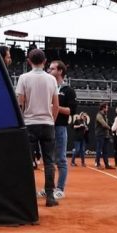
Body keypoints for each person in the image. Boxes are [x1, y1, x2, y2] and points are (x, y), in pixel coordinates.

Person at [15, 48, 59, 207]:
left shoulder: (23, 78)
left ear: (29, 61)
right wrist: (51, 121)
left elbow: (20, 102)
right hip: (47, 124)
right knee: (49, 162)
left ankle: (25, 196)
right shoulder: (52, 80)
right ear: (45, 61)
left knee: (26, 161)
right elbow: (56, 105)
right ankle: (50, 197)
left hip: (29, 124)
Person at [48, 59, 77, 200]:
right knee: (49, 160)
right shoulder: (48, 87)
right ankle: (49, 188)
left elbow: (71, 111)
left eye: (52, 68)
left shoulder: (68, 90)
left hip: (60, 128)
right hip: (47, 126)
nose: (49, 70)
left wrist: (55, 107)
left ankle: (60, 189)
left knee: (60, 159)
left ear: (60, 71)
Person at [94, 102, 113, 168]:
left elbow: (106, 124)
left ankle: (106, 164)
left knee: (105, 151)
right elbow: (104, 124)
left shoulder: (105, 115)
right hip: (100, 135)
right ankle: (97, 163)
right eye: (107, 107)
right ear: (103, 108)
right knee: (99, 150)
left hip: (105, 135)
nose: (107, 109)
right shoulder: (99, 115)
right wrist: (110, 128)